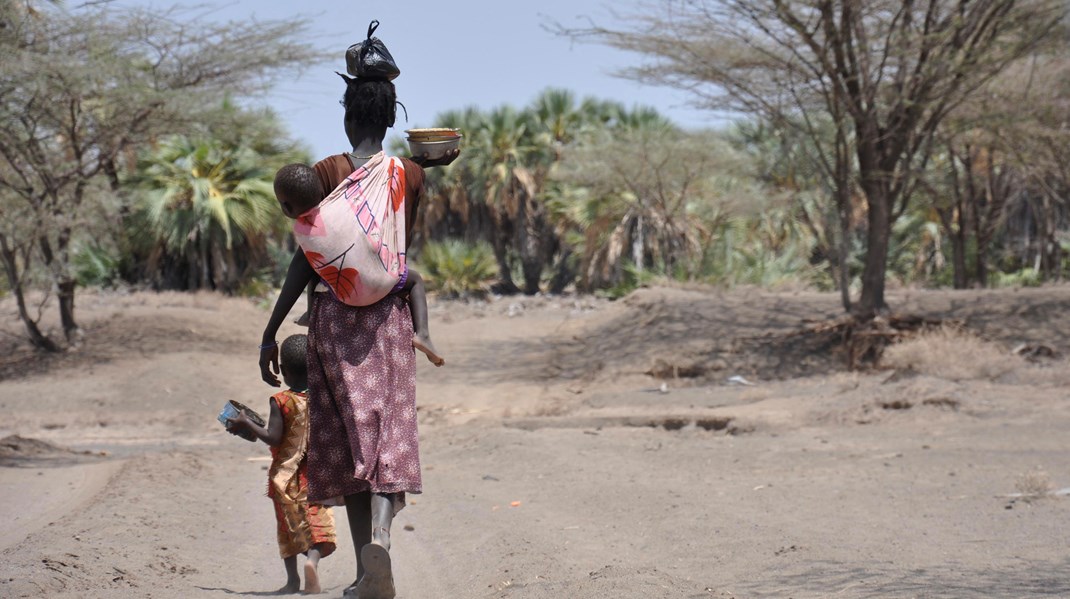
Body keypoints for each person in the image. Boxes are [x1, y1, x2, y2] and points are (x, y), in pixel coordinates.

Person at [259, 74, 458, 599]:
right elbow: (393, 240)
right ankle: (381, 542)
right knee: (388, 437)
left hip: (334, 322)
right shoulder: (411, 174)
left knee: (348, 447)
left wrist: (271, 330)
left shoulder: (325, 172)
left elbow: (307, 257)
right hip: (392, 321)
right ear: (392, 120)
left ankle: (364, 574)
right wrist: (426, 167)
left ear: (347, 117)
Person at [273, 162, 444, 367]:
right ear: (321, 192)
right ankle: (423, 334)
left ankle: (310, 313)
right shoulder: (339, 207)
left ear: (286, 207)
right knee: (415, 280)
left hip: (346, 295)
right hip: (384, 286)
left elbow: (304, 270)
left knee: (315, 269)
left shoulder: (302, 232)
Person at [227, 334, 337, 595]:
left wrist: (246, 423)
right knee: (317, 523)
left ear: (284, 371)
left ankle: (292, 581)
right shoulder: (323, 398)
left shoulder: (281, 401)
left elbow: (273, 437)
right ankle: (312, 561)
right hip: (317, 476)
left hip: (285, 478)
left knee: (288, 527)